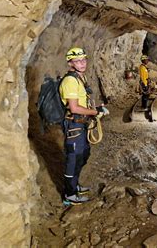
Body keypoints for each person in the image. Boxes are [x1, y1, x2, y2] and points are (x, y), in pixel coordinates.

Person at [60, 47, 109, 205]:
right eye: (77, 61)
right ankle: (69, 195)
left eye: (83, 60)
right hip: (74, 124)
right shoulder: (70, 81)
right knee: (73, 159)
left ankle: (75, 186)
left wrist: (96, 108)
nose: (82, 63)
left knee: (83, 155)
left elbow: (84, 101)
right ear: (70, 63)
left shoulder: (81, 78)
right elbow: (74, 108)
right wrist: (94, 113)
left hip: (81, 124)